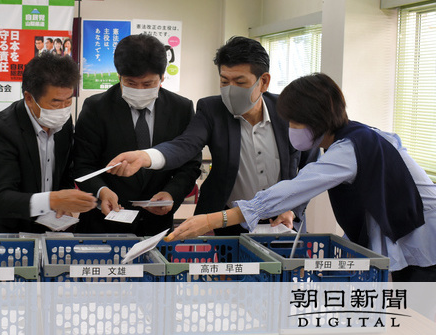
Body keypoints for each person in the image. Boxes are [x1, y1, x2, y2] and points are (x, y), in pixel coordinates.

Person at [166, 73, 436, 282]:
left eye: (294, 122)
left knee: (417, 310)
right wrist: (287, 211)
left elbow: (294, 188)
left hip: (421, 233)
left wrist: (215, 219)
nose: (291, 129)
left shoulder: (349, 149)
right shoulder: (359, 135)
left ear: (315, 120)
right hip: (410, 228)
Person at [108, 36, 316, 235]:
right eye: (225, 82)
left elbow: (312, 168)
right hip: (228, 221)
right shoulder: (212, 109)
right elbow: (185, 145)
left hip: (283, 222)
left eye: (240, 82)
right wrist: (146, 157)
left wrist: (293, 208)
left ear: (263, 82)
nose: (230, 90)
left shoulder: (290, 112)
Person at [73, 34, 201, 236]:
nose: (139, 89)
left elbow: (190, 164)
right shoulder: (96, 108)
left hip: (157, 224)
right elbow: (81, 164)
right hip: (103, 225)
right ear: (119, 77)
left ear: (162, 78)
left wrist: (171, 193)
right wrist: (101, 191)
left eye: (148, 84)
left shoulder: (181, 108)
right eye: (131, 83)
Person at [0, 52, 97, 237]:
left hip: (44, 227)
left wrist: (66, 197)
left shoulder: (62, 122)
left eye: (68, 101)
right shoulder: (3, 130)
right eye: (55, 102)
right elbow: (0, 197)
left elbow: (63, 171)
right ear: (29, 98)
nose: (63, 109)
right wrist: (54, 200)